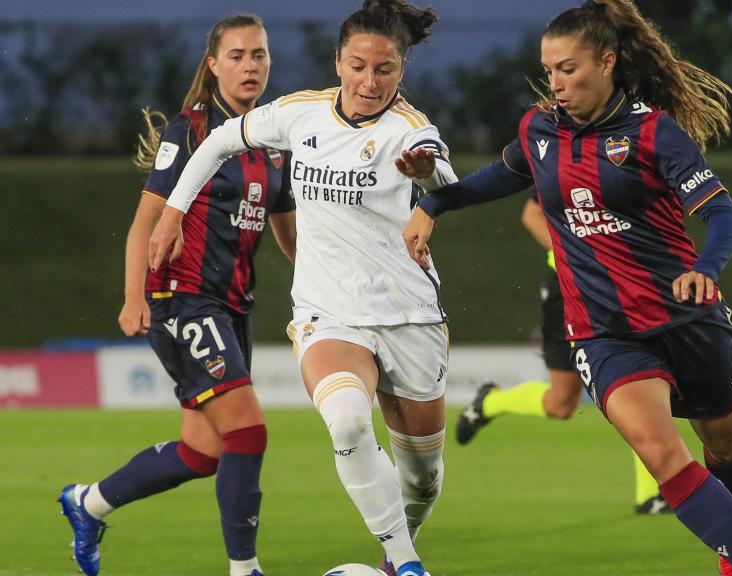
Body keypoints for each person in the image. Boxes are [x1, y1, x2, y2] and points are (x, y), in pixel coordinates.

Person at [403, 1, 732, 574]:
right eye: (549, 69)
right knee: (661, 453)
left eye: (569, 68)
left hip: (687, 317)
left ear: (608, 62)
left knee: (730, 449)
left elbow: (726, 216)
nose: (556, 83)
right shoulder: (539, 131)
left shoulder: (654, 133)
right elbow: (497, 177)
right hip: (603, 330)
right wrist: (433, 202)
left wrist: (706, 270)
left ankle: (731, 551)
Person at [150, 2, 453, 575]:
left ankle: (398, 549)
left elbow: (446, 177)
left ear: (401, 71)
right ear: (338, 61)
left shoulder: (411, 129)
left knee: (422, 479)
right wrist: (173, 211)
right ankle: (406, 562)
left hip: (409, 315)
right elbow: (217, 142)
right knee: (345, 420)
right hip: (328, 313)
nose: (369, 82)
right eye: (358, 66)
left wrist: (425, 176)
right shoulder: (299, 115)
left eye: (384, 70)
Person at [57, 14, 295, 576]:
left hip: (233, 306)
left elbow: (287, 231)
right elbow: (145, 224)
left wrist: (320, 287)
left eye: (259, 55)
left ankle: (87, 503)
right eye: (236, 55)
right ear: (213, 65)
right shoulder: (189, 132)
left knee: (202, 451)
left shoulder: (275, 139)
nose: (250, 65)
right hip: (182, 299)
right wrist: (134, 296)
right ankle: (245, 569)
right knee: (248, 430)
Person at [457, 196, 669, 514]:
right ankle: (490, 402)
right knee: (561, 403)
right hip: (566, 287)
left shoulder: (628, 159)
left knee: (637, 380)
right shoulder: (558, 155)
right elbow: (531, 214)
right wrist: (575, 257)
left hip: (617, 285)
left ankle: (650, 494)